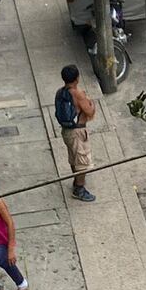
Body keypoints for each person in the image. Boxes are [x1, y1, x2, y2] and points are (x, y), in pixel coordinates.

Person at [55, 65, 96, 202]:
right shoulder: (77, 94)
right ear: (77, 78)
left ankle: (76, 180)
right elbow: (89, 112)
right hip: (78, 132)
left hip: (66, 131)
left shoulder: (60, 92)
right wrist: (91, 103)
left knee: (73, 158)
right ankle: (79, 188)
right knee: (83, 162)